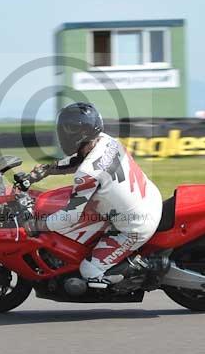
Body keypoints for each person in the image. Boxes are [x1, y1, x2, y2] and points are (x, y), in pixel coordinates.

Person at [31, 102, 162, 287]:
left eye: (68, 129)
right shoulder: (107, 141)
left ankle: (136, 274)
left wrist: (38, 225)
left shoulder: (87, 174)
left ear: (80, 132)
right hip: (149, 198)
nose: (62, 134)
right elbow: (80, 160)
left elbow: (70, 216)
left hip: (136, 225)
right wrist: (47, 170)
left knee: (89, 270)